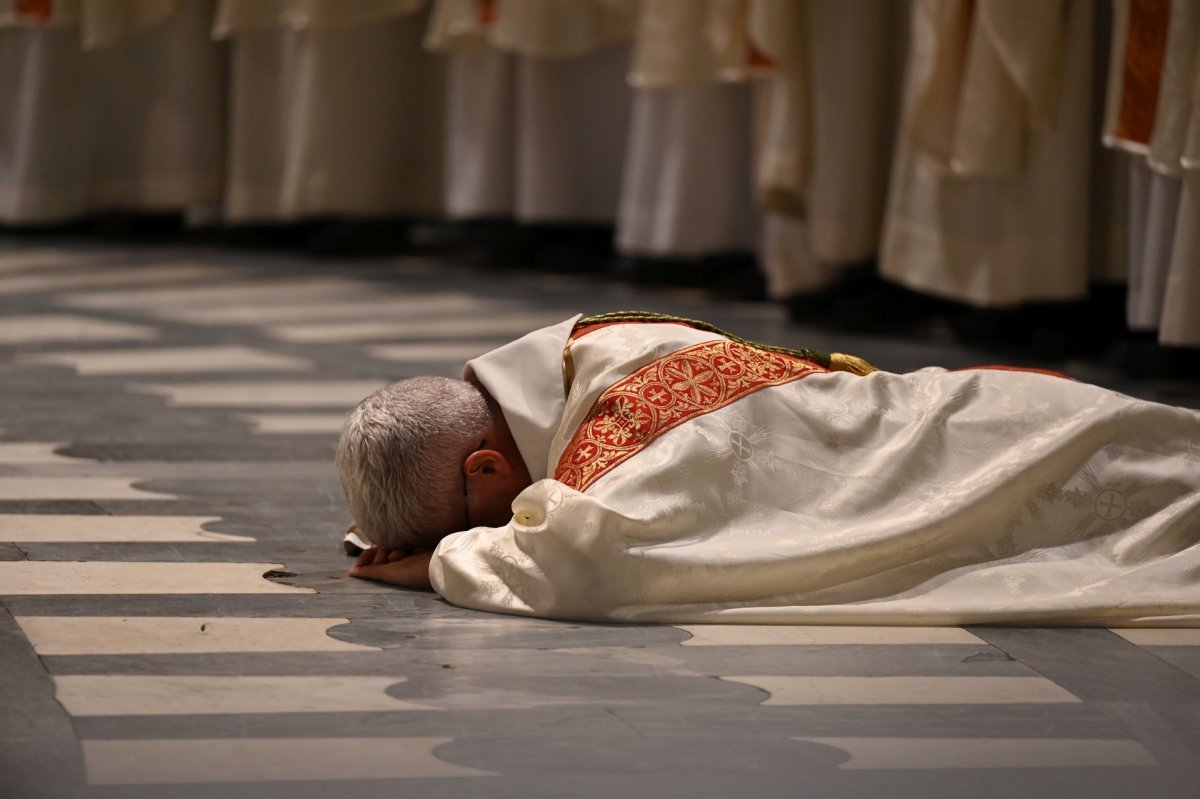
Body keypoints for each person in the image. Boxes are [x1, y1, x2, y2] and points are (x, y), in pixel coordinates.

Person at [336, 312, 1200, 626]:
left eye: (475, 520)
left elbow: (589, 560)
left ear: (486, 468)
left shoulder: (620, 436)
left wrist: (441, 564)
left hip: (992, 455)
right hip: (976, 413)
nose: (495, 531)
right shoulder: (583, 347)